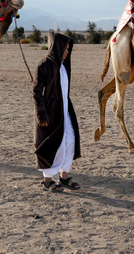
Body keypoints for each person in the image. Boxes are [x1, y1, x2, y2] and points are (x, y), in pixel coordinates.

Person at [33, 32, 81, 192]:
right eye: (65, 49)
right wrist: (42, 115)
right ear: (57, 48)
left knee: (70, 141)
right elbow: (37, 92)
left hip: (65, 111)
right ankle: (48, 180)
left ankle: (64, 178)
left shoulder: (63, 66)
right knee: (52, 144)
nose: (67, 52)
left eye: (68, 49)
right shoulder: (44, 65)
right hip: (50, 113)